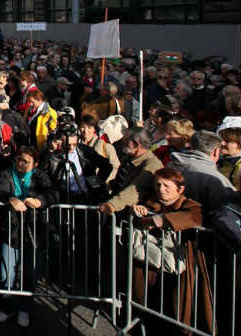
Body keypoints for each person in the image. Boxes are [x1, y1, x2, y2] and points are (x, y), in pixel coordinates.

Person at [130, 167, 211, 334]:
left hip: (178, 265)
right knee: (148, 302)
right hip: (150, 262)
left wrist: (161, 220)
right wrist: (137, 211)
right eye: (158, 185)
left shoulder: (190, 204)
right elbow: (136, 218)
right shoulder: (150, 201)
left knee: (177, 306)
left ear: (180, 189)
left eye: (167, 186)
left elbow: (196, 216)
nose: (161, 189)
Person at [0, 146, 56, 328]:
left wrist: (40, 201)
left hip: (34, 232)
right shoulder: (6, 173)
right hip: (10, 230)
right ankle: (8, 306)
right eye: (19, 159)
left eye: (25, 162)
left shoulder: (41, 176)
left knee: (30, 273)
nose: (20, 164)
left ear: (34, 164)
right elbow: (0, 190)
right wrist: (11, 199)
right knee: (6, 273)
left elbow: (52, 193)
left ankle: (24, 309)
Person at [99, 128, 165, 216]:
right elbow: (120, 182)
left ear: (137, 144)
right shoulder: (129, 158)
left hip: (133, 216)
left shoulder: (152, 165)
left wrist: (113, 205)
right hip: (119, 210)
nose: (123, 143)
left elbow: (134, 189)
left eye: (126, 141)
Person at [168, 130, 237, 212]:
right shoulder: (214, 178)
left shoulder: (171, 164)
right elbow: (233, 208)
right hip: (196, 221)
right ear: (215, 152)